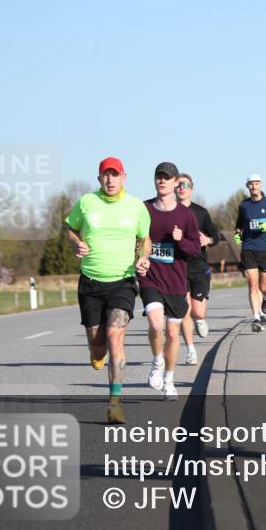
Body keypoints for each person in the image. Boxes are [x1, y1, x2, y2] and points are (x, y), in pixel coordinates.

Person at [66, 157, 151, 424]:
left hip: (123, 281)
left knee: (115, 336)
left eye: (115, 175)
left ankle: (115, 402)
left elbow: (145, 238)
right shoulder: (86, 203)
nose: (111, 180)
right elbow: (70, 229)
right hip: (91, 281)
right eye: (106, 175)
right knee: (98, 344)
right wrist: (76, 243)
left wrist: (144, 257)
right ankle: (96, 352)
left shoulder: (136, 207)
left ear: (125, 177)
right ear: (99, 178)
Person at [141, 162, 201, 400]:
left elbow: (195, 249)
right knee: (156, 325)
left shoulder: (186, 215)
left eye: (167, 178)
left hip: (176, 280)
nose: (162, 181)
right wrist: (140, 257)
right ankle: (157, 361)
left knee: (174, 334)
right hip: (150, 277)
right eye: (159, 177)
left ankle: (169, 380)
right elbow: (134, 238)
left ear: (176, 182)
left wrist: (180, 241)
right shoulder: (144, 209)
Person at [176, 173, 220, 364]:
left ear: (191, 188)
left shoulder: (201, 212)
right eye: (178, 185)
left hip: (199, 265)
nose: (181, 188)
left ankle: (200, 319)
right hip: (178, 265)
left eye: (185, 185)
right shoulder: (169, 211)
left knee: (198, 312)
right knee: (184, 310)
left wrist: (208, 240)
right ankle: (191, 350)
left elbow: (216, 236)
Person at [234, 174, 266, 332]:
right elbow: (239, 224)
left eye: (256, 183)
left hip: (265, 249)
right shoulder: (244, 205)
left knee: (264, 286)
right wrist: (237, 233)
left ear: (261, 184)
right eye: (251, 184)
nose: (254, 186)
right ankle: (257, 317)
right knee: (252, 285)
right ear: (247, 186)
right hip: (249, 247)